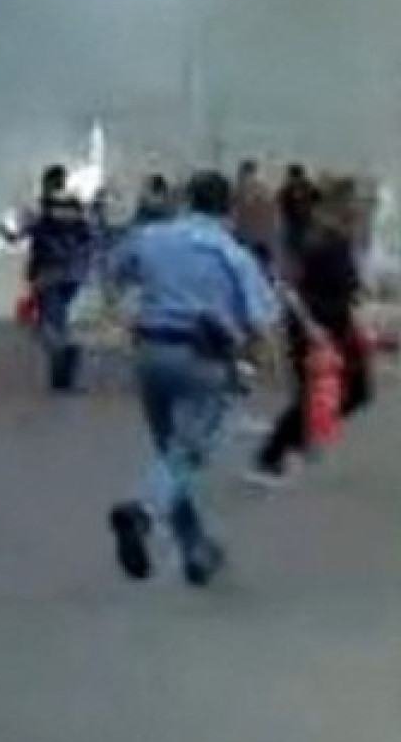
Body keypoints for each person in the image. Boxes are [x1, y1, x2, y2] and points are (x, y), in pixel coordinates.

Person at [104, 169, 278, 588]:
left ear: (187, 200)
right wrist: (265, 365)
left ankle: (196, 551)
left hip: (151, 352)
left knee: (171, 455)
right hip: (204, 360)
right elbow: (261, 320)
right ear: (228, 207)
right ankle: (143, 512)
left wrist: (128, 311)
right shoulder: (231, 253)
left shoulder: (152, 237)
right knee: (185, 456)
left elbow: (113, 274)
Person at [251, 176, 372, 484]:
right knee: (310, 396)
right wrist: (311, 326)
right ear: (341, 205)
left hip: (339, 324)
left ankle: (300, 438)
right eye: (359, 202)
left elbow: (347, 288)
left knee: (358, 390)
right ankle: (270, 455)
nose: (363, 208)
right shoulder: (316, 239)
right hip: (314, 326)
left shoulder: (341, 240)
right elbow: (287, 287)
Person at [21, 165, 97, 394]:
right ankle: (63, 363)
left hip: (47, 271)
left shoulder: (41, 208)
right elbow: (89, 237)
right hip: (72, 272)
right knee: (58, 315)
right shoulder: (75, 206)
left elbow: (24, 232)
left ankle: (63, 352)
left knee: (46, 322)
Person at [231, 160, 281, 273]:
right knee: (265, 270)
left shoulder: (238, 189)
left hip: (246, 237)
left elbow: (232, 214)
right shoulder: (265, 189)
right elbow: (274, 213)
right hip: (264, 238)